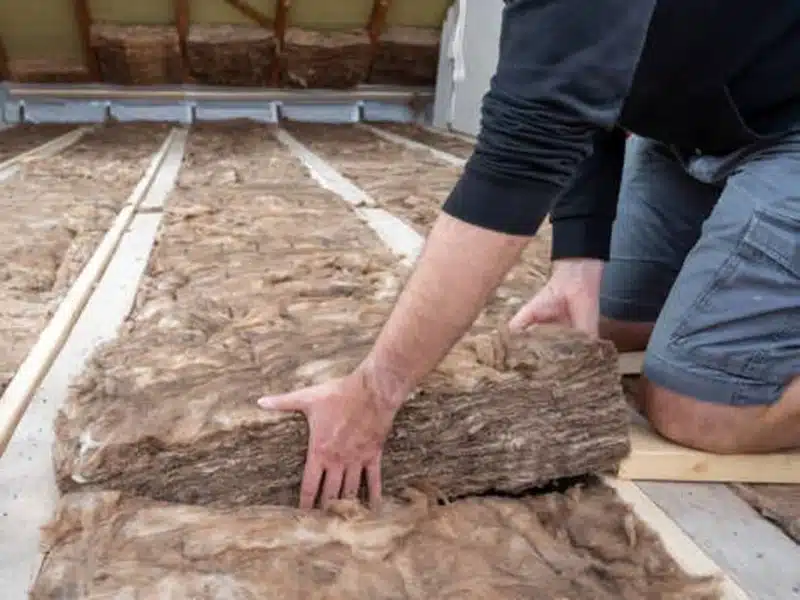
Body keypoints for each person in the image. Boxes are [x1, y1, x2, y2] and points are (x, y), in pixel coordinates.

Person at [258, 0, 800, 510]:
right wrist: (578, 258)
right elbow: (575, 83)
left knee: (698, 410)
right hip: (700, 130)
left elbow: (525, 154)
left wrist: (376, 392)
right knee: (607, 321)